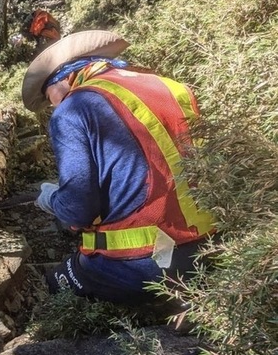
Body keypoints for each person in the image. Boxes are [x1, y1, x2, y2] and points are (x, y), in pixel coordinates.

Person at [21, 29, 217, 306]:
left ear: (64, 79)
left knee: (56, 282)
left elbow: (78, 211)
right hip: (212, 246)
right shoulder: (170, 86)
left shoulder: (73, 108)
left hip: (143, 263)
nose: (53, 105)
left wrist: (52, 198)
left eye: (48, 95)